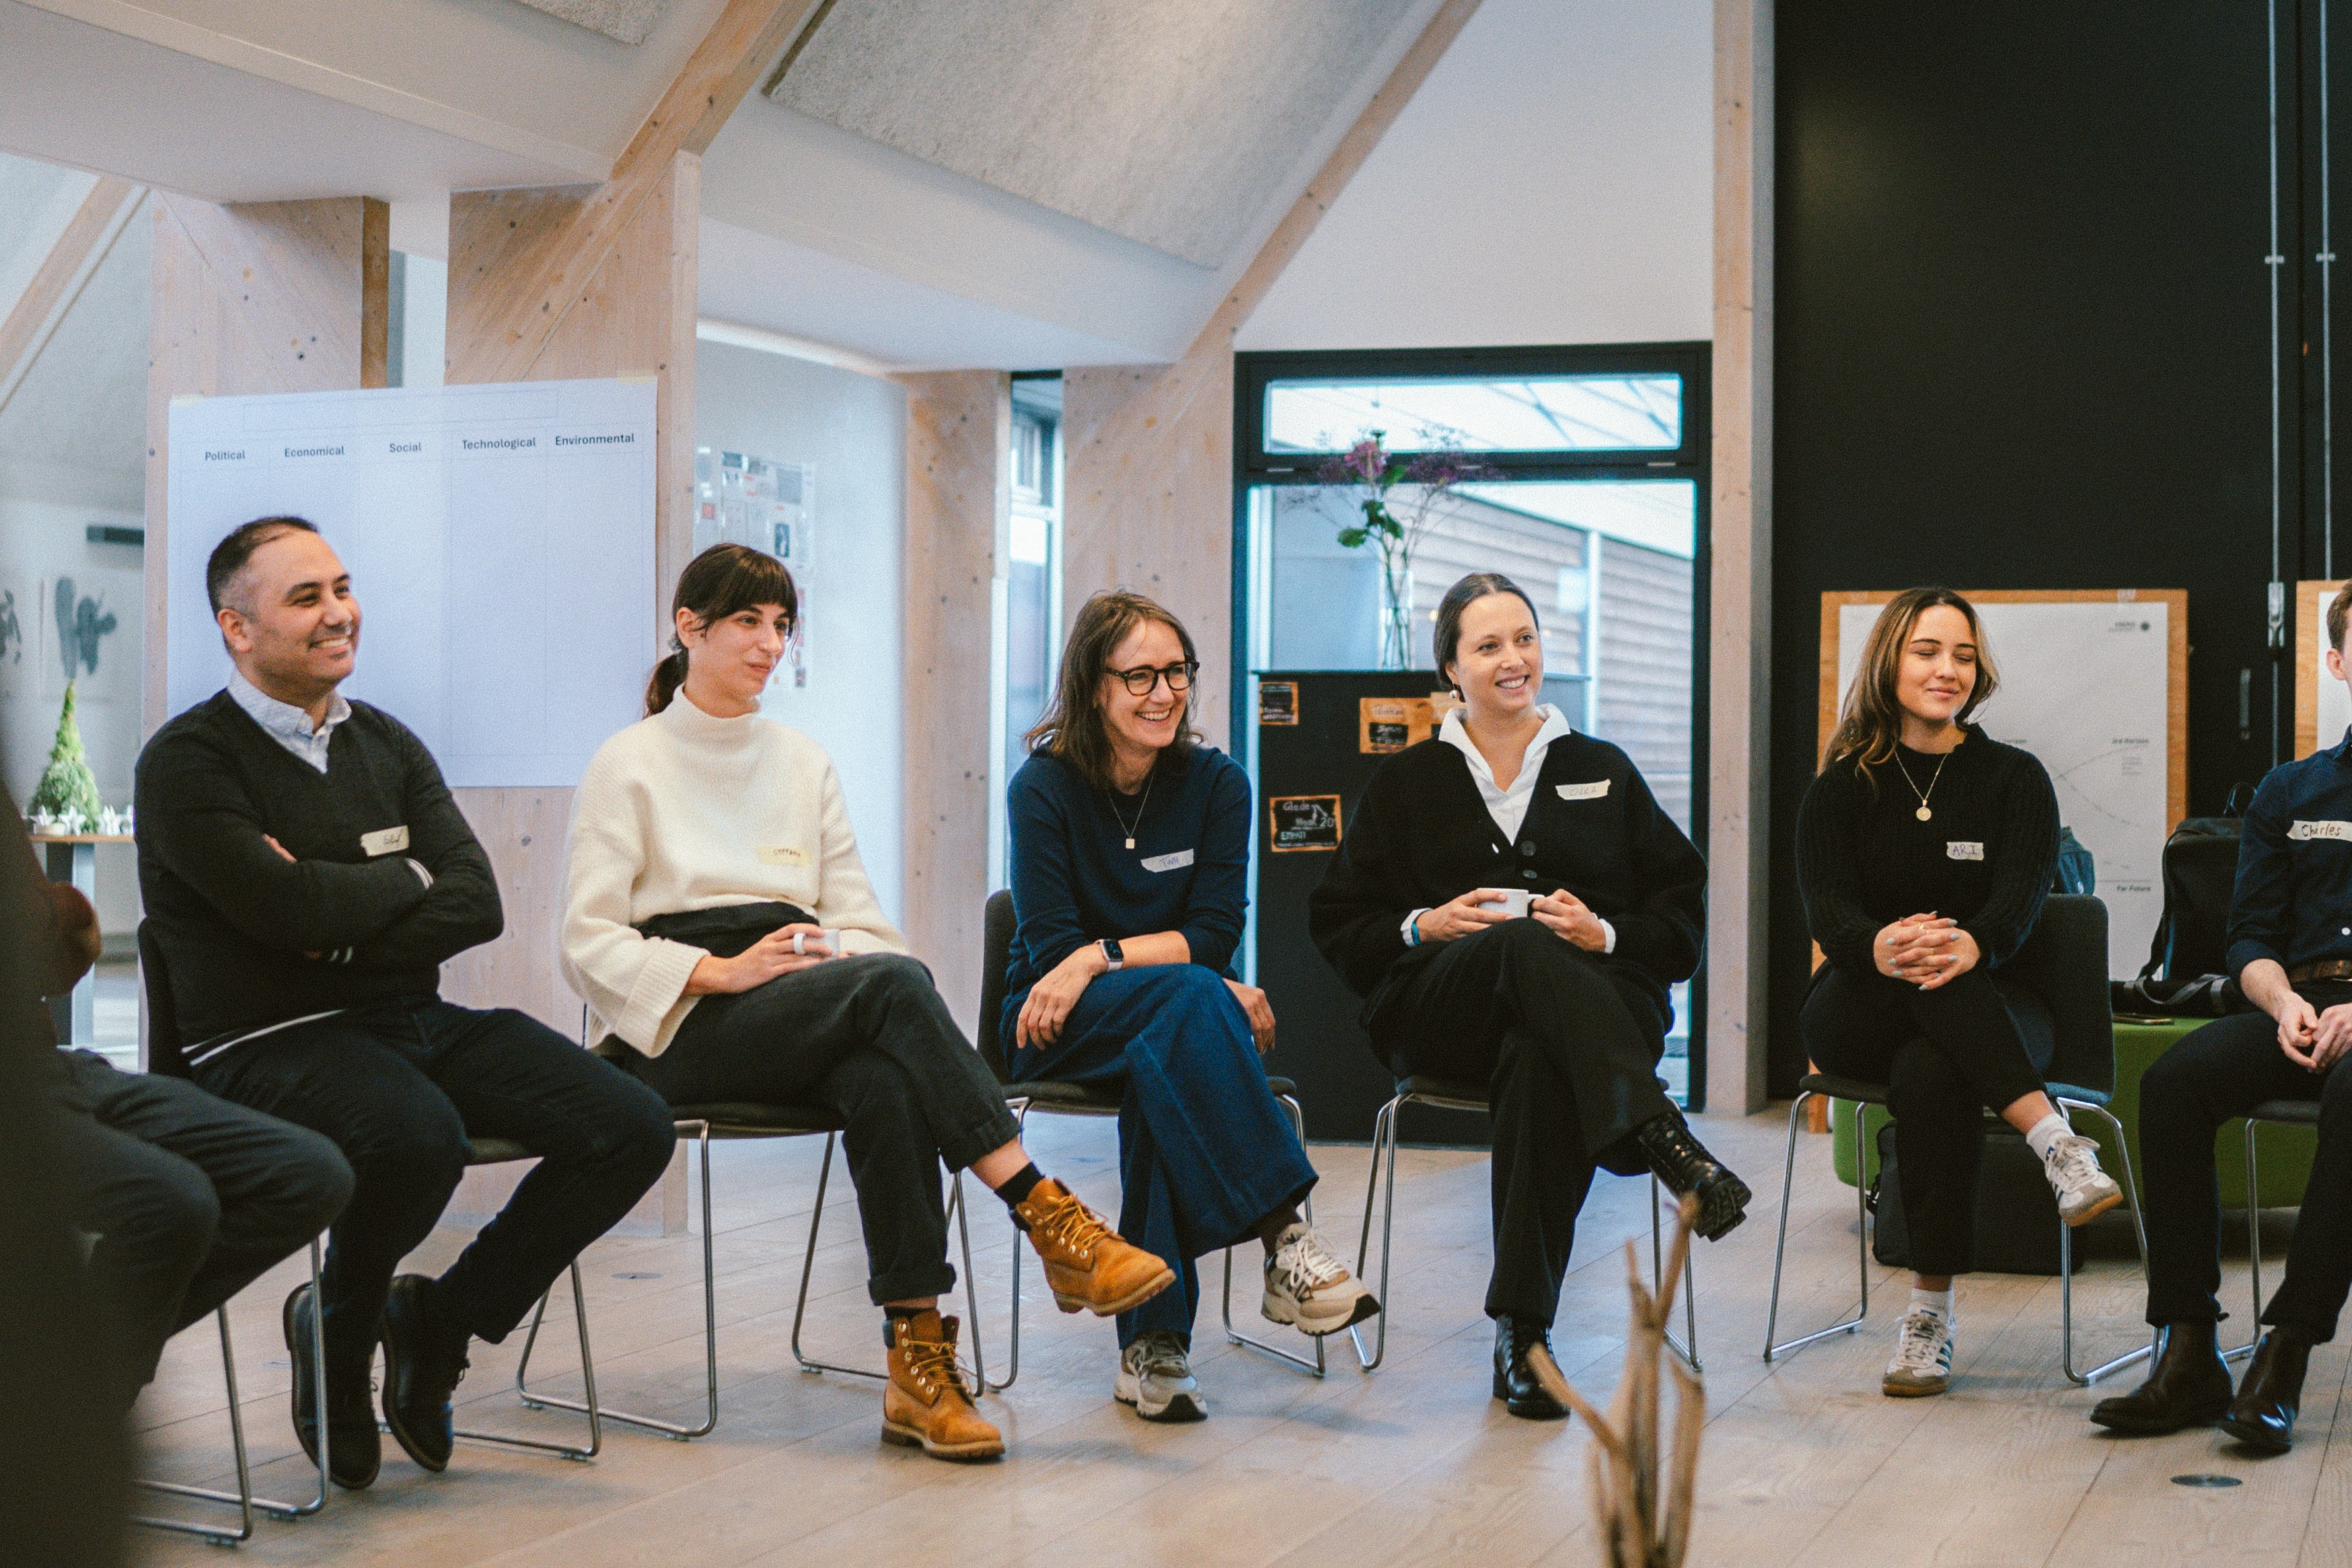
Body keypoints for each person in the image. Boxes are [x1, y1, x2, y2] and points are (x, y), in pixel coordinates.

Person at [562, 544, 1171, 1462]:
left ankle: (916, 1360)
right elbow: (587, 939)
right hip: (681, 1019)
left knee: (884, 1069)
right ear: (689, 627)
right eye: (748, 623)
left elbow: (867, 930)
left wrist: (818, 953)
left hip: (803, 991)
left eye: (782, 626)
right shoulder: (628, 761)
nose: (771, 644)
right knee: (892, 990)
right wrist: (720, 971)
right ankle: (1047, 1211)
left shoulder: (803, 761)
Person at [135, 516, 677, 1489]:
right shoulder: (187, 762)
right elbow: (276, 905)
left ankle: (437, 1316)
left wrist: (329, 919)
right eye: (306, 597)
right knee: (416, 1134)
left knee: (629, 1120)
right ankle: (341, 1328)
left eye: (342, 587)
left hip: (406, 1021)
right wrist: (393, 885)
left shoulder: (384, 739)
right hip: (261, 1041)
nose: (339, 612)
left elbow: (477, 899)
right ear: (236, 626)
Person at [1310, 570, 1746, 1421]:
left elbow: (1680, 924)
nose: (1514, 660)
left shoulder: (1603, 770)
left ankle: (1522, 1338)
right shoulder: (1407, 782)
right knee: (1513, 941)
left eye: (1526, 638)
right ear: (1450, 669)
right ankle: (1655, 1133)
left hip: (1585, 1018)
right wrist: (1422, 926)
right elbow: (1337, 925)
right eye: (1488, 646)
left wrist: (1606, 935)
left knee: (1539, 1056)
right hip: (1442, 1014)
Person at [1006, 589, 1376, 1423]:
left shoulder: (1216, 784)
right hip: (1051, 1022)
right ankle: (1286, 1237)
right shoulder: (1043, 789)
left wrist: (1117, 960)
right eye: (1139, 675)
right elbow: (1050, 944)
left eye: (1177, 672)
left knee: (1164, 1054)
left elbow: (1211, 935)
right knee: (1186, 1008)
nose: (1163, 693)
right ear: (1092, 685)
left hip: (1157, 1020)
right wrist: (1194, 981)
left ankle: (1155, 1349)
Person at [1799, 587, 2123, 1400]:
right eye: (1927, 651)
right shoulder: (1841, 787)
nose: (1946, 670)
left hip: (1991, 1002)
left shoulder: (2013, 778)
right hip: (1858, 1003)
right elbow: (1827, 910)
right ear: (1889, 662)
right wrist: (1880, 945)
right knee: (1925, 987)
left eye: (1963, 656)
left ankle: (1927, 1317)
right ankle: (2055, 1142)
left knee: (1936, 1061)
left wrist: (1969, 943)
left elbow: (2020, 902)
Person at [2091, 581, 2352, 1450]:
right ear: (2337, 661)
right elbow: (2249, 937)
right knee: (2173, 1082)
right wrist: (2283, 1003)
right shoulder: (2290, 791)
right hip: (2300, 1003)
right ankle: (2189, 1346)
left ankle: (2285, 1349)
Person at [13, 797, 353, 1421]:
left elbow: (59, 956)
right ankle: (67, 1425)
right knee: (172, 1201)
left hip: (53, 1065)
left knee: (309, 1173)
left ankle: (60, 1393)